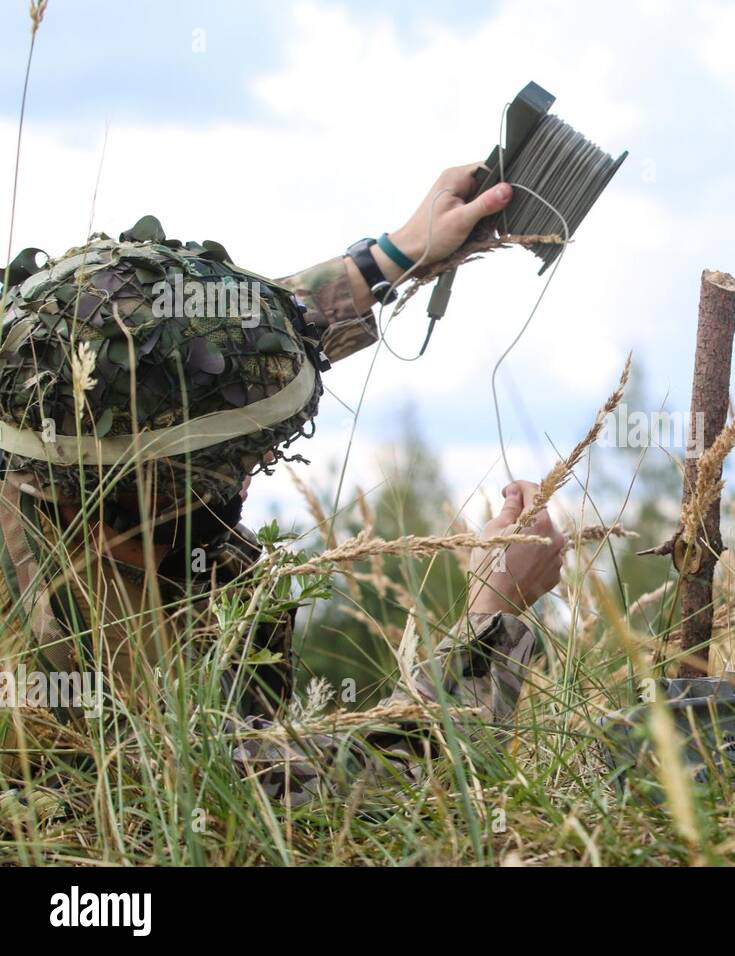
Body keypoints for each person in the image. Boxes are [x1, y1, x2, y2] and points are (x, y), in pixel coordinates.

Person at [0, 164, 563, 804]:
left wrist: (391, 257)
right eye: (240, 460)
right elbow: (389, 786)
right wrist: (494, 611)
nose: (261, 460)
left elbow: (161, 352)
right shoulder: (125, 696)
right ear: (148, 499)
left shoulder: (37, 429)